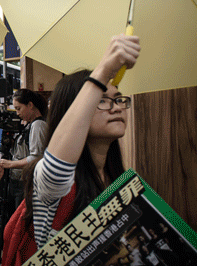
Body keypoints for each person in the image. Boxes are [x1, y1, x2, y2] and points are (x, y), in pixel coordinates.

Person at [25, 34, 140, 248]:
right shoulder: (49, 178)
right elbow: (56, 170)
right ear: (73, 111)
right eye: (101, 100)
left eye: (118, 99)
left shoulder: (117, 178)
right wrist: (104, 70)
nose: (116, 107)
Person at [0, 89, 48, 211]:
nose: (17, 113)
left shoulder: (38, 125)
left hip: (26, 183)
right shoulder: (29, 124)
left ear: (30, 105)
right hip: (18, 182)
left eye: (18, 108)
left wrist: (11, 164)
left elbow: (37, 157)